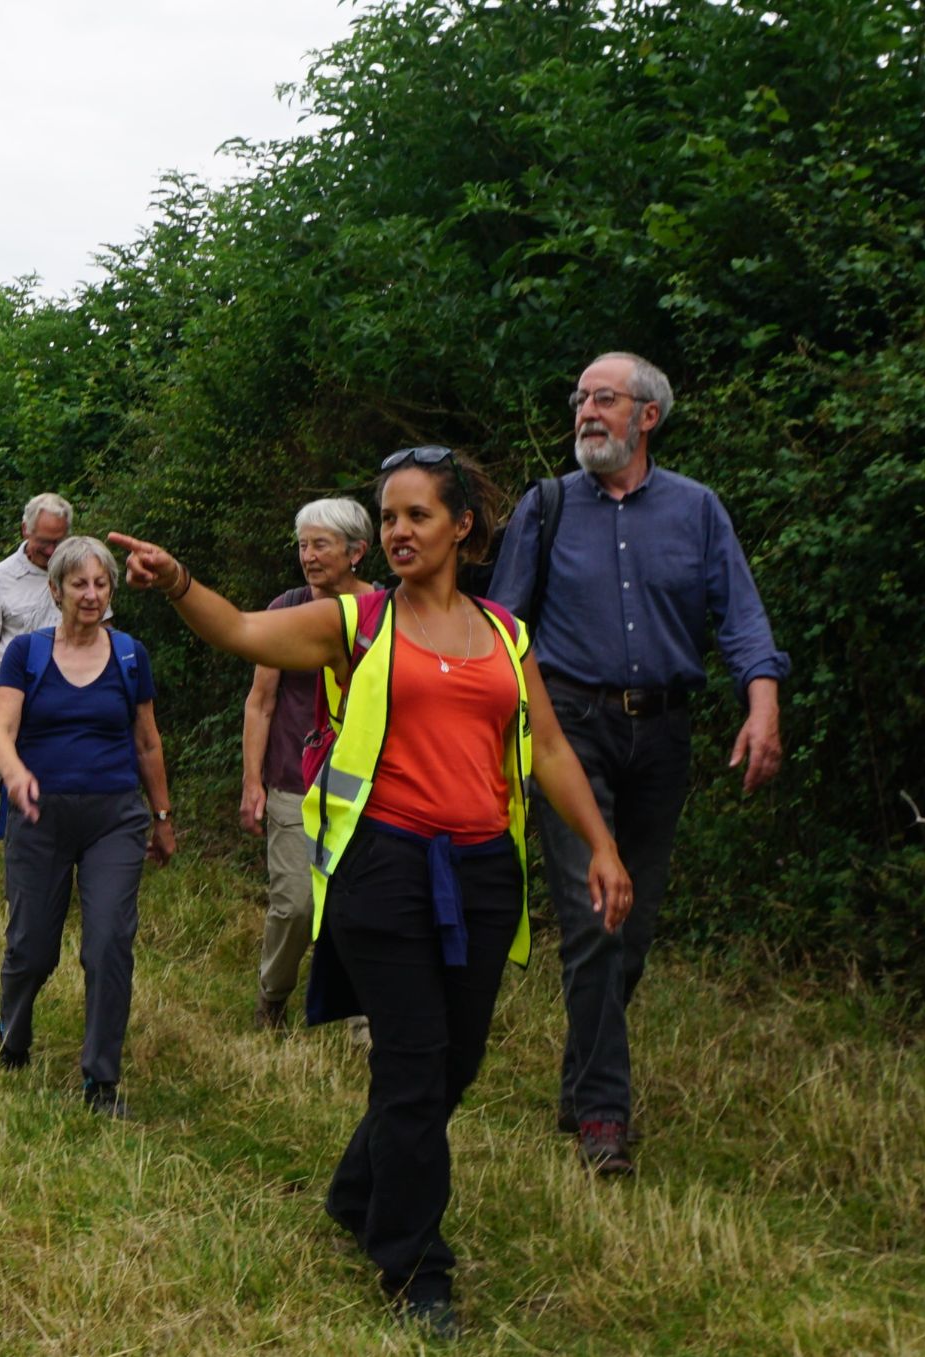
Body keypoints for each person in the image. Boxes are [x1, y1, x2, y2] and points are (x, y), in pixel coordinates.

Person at [109, 447, 631, 1337]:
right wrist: (178, 581)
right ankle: (415, 1266)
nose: (397, 531)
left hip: (481, 875)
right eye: (387, 517)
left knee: (452, 1065)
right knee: (413, 1060)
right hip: (380, 869)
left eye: (417, 515)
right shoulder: (355, 621)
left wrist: (602, 845)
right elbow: (239, 631)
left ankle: (358, 1190)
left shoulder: (507, 632)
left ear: (462, 527)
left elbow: (545, 745)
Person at [489, 351, 789, 1176]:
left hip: (662, 737)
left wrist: (761, 704)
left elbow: (742, 617)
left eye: (605, 398)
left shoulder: (697, 510)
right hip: (568, 731)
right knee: (596, 918)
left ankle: (581, 1074)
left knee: (636, 930)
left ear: (647, 416)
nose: (587, 410)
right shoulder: (544, 508)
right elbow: (501, 633)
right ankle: (603, 1117)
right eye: (580, 396)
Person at [0, 536, 176, 1118]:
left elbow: (146, 741)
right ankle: (13, 1032)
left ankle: (101, 1080)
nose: (90, 595)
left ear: (111, 592)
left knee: (109, 945)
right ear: (56, 590)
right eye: (79, 584)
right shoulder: (28, 655)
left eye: (100, 585)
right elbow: (0, 727)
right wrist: (16, 775)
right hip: (40, 816)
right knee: (31, 949)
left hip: (113, 817)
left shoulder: (129, 656)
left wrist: (163, 816)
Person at [242, 498, 374, 1044]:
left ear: (357, 552)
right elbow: (261, 700)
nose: (308, 556)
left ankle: (362, 1017)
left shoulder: (386, 612)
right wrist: (252, 781)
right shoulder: (285, 609)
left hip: (370, 787)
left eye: (320, 545)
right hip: (294, 780)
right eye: (303, 545)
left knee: (362, 903)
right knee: (296, 903)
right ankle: (272, 995)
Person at [0, 493, 77, 760]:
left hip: (73, 680)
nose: (50, 551)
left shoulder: (82, 572)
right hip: (14, 684)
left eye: (58, 541)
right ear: (26, 529)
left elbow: (106, 635)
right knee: (11, 765)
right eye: (43, 541)